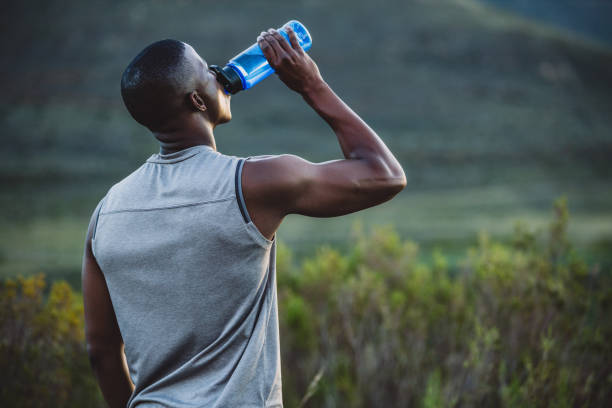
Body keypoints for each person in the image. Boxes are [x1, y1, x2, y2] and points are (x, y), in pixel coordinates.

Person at [82, 26, 406, 408]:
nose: (220, 73)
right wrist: (311, 84)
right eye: (208, 70)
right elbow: (384, 174)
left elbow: (101, 350)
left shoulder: (107, 211)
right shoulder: (252, 184)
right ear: (198, 101)